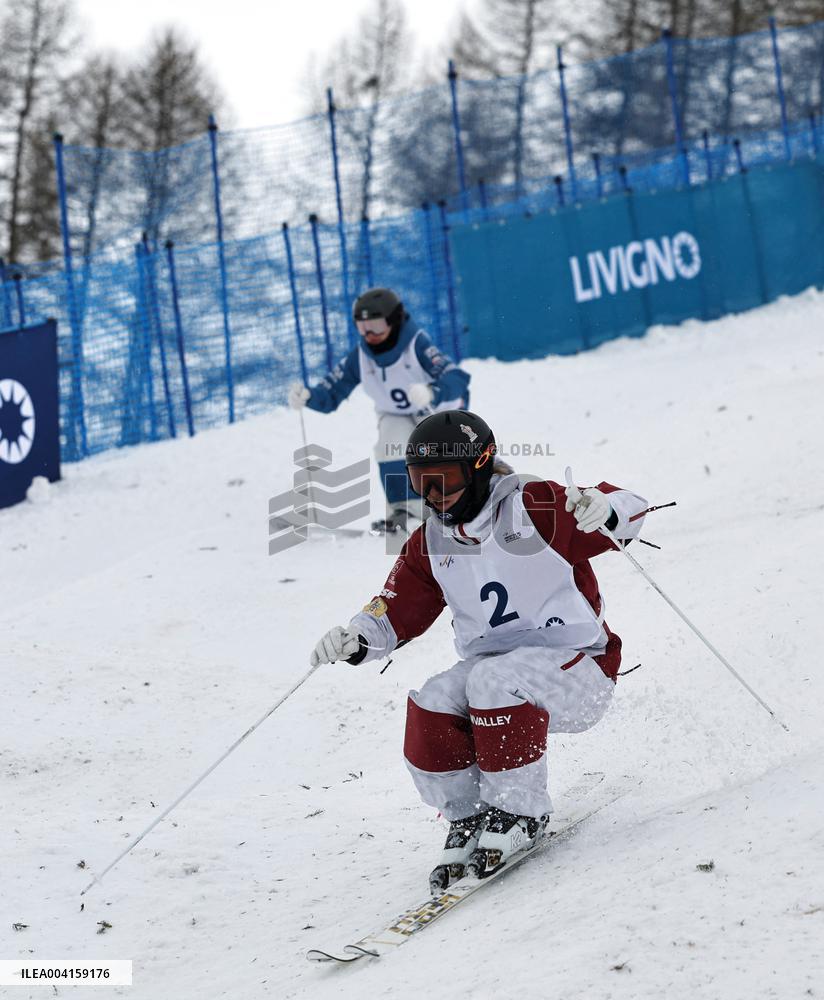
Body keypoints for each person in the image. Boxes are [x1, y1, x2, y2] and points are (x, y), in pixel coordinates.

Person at [309, 409, 650, 893]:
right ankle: (467, 815)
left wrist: (605, 509)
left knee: (490, 680)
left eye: (443, 482)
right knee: (432, 700)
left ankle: (519, 810)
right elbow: (397, 607)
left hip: (581, 670)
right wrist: (357, 637)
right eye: (420, 484)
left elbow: (628, 508)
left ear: (480, 467)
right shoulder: (430, 540)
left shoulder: (532, 506)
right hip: (500, 679)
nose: (433, 498)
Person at [288, 287, 470, 535]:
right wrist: (309, 397)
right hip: (394, 412)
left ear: (394, 321)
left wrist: (433, 391)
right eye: (362, 327)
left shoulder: (416, 344)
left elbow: (457, 378)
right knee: (390, 447)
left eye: (375, 325)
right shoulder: (361, 356)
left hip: (437, 410)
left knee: (431, 453)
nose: (369, 334)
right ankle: (404, 511)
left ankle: (456, 507)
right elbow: (332, 393)